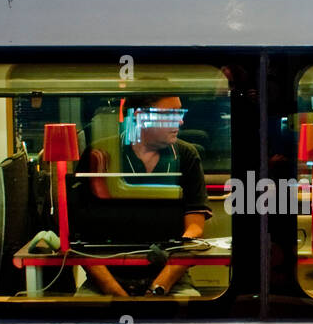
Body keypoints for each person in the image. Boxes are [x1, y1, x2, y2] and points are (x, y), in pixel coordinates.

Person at [73, 95, 212, 297]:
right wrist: (113, 291)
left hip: (170, 278)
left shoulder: (186, 155)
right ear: (140, 117)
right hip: (105, 279)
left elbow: (195, 228)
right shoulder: (100, 155)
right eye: (171, 114)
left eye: (179, 112)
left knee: (188, 321)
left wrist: (159, 287)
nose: (180, 121)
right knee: (84, 321)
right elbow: (80, 236)